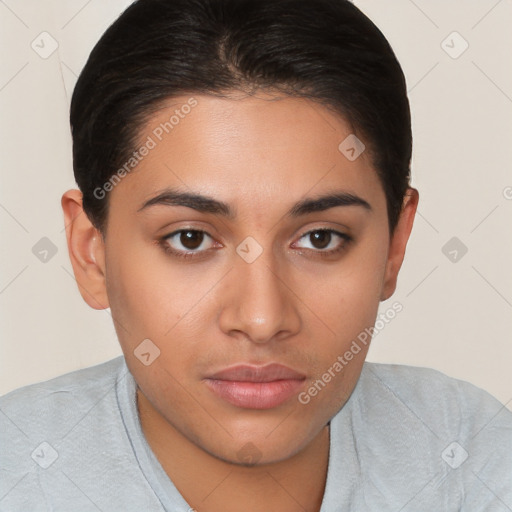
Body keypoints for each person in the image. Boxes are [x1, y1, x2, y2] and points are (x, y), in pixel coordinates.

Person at [1, 0, 511, 510]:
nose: (263, 319)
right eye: (190, 239)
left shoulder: (471, 461)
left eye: (320, 238)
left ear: (395, 245)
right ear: (92, 254)